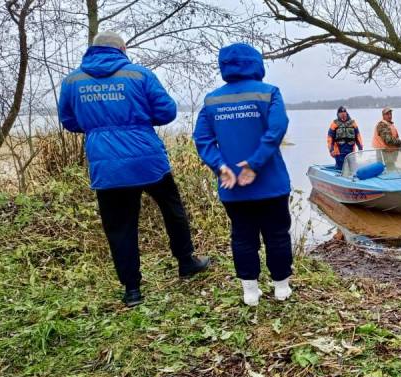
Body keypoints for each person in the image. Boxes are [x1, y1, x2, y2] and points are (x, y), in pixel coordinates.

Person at [58, 31, 209, 307]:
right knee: (172, 209)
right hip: (146, 158)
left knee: (119, 227)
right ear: (122, 49)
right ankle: (187, 262)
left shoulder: (72, 81)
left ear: (93, 50)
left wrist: (100, 128)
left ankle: (132, 290)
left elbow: (68, 121)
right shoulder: (139, 75)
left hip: (106, 163)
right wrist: (137, 120)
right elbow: (167, 112)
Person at [192, 43, 292, 306]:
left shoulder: (213, 100)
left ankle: (250, 291)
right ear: (256, 63)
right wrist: (254, 163)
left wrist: (221, 166)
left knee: (242, 236)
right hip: (272, 183)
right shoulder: (269, 93)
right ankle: (281, 287)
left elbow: (202, 139)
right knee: (278, 235)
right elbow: (278, 129)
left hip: (232, 186)